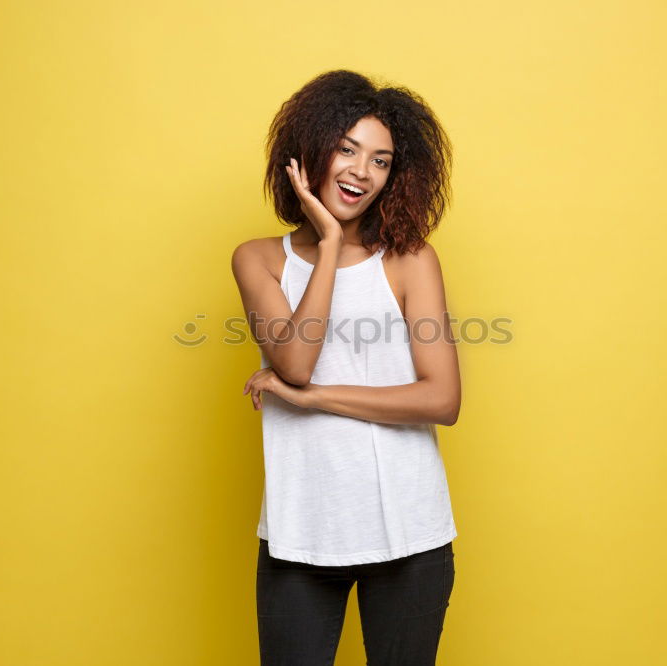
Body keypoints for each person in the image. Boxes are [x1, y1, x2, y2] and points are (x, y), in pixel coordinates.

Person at [231, 69, 460, 665]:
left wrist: (316, 400)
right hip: (300, 531)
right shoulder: (259, 260)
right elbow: (296, 361)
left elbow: (442, 400)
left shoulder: (411, 261)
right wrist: (330, 242)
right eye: (347, 149)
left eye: (380, 160)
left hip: (410, 535)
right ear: (306, 154)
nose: (362, 171)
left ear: (396, 176)